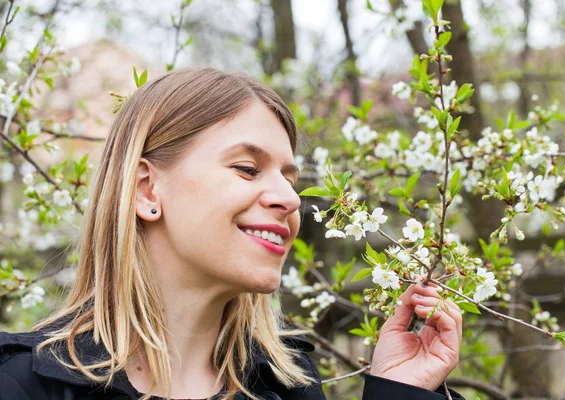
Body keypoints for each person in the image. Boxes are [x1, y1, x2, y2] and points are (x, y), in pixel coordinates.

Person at [0, 68, 463, 400]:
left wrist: (398, 391)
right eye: (247, 168)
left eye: (290, 178)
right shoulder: (25, 384)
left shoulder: (287, 384)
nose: (290, 198)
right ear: (146, 190)